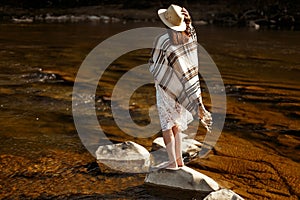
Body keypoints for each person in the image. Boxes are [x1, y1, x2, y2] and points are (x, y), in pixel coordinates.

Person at [149, 4, 212, 170]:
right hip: (182, 91)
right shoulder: (189, 38)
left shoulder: (162, 41)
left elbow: (154, 64)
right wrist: (188, 21)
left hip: (165, 90)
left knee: (167, 126)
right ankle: (179, 161)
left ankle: (172, 162)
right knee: (175, 124)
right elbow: (188, 68)